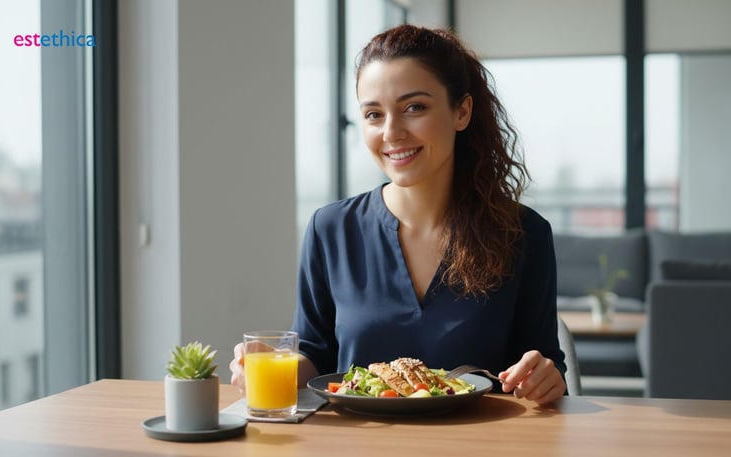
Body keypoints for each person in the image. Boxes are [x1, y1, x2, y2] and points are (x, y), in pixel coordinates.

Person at [231, 24, 567, 405]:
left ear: (462, 111)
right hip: (357, 442)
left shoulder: (522, 233)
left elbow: (546, 370)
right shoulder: (331, 229)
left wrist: (545, 376)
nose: (391, 132)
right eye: (374, 114)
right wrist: (268, 365)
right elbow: (316, 353)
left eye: (414, 108)